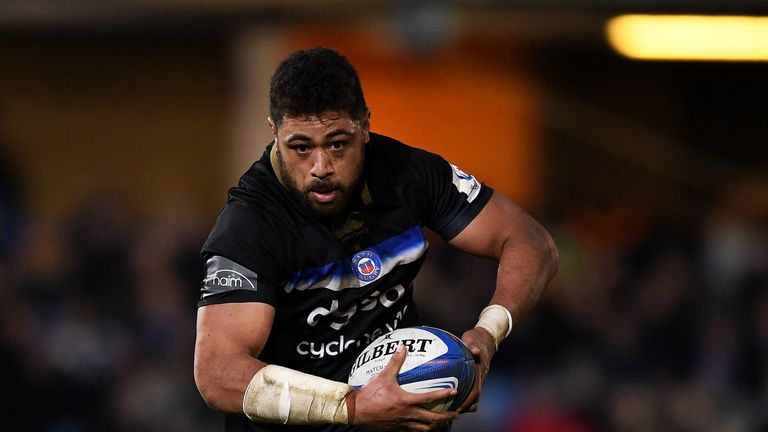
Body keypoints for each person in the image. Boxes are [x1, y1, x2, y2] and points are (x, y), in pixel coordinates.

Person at [194, 47, 559, 432]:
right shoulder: (249, 224)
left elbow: (532, 243)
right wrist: (352, 406)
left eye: (338, 144)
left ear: (365, 126)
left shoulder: (409, 174)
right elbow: (217, 374)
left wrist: (489, 333)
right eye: (300, 147)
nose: (321, 168)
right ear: (274, 131)